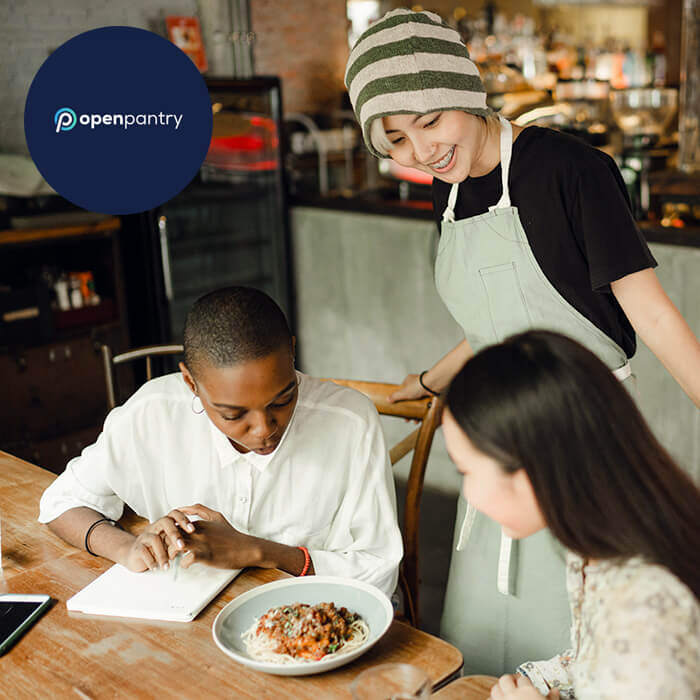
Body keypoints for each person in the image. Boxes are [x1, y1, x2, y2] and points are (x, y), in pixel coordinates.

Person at [344, 8, 700, 672]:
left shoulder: (570, 171)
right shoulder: (445, 193)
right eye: (395, 138)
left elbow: (650, 315)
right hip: (498, 454)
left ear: (467, 95)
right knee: (486, 647)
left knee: (597, 646)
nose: (421, 151)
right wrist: (428, 382)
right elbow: (491, 324)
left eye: (430, 121)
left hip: (583, 448)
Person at [39, 287, 402, 596]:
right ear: (190, 383)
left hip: (311, 617)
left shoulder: (349, 422)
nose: (263, 429)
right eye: (233, 414)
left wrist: (261, 552)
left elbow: (380, 572)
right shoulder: (153, 412)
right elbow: (61, 502)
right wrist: (127, 547)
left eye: (283, 398)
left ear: (292, 352)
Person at [441, 330, 699, 700]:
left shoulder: (647, 611)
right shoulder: (605, 535)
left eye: (465, 470)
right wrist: (537, 681)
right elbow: (594, 661)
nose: (468, 493)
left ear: (531, 471)